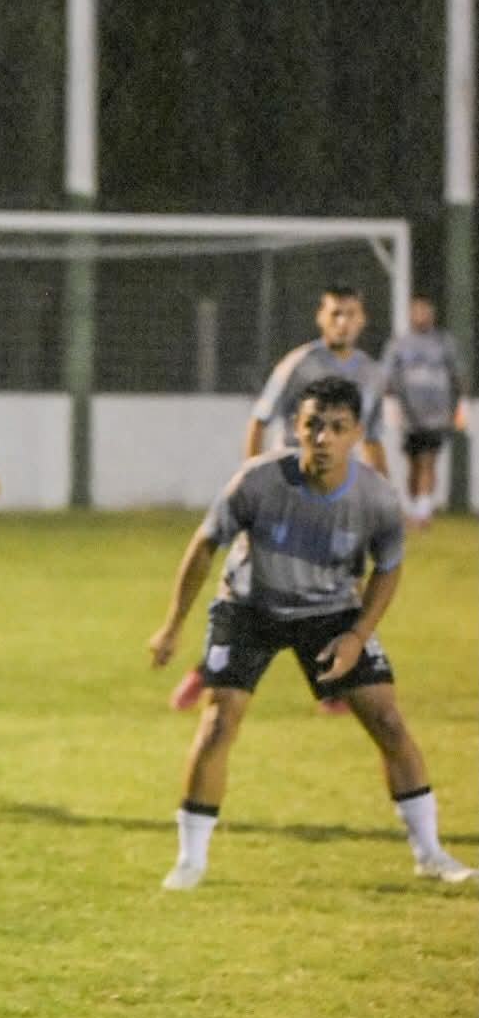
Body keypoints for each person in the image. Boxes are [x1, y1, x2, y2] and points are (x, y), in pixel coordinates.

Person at [149, 375, 475, 892]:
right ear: (296, 428)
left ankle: (431, 854)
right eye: (313, 426)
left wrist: (357, 635)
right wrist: (172, 626)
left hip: (330, 613)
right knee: (218, 723)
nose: (323, 438)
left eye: (338, 428)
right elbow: (205, 544)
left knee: (388, 720)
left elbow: (388, 569)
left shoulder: (375, 497)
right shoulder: (258, 481)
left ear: (357, 433)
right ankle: (190, 862)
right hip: (249, 607)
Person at [169, 285, 388, 716]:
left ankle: (337, 680)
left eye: (350, 314)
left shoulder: (372, 374)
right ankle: (209, 668)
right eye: (335, 313)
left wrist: (381, 494)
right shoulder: (299, 365)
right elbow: (260, 420)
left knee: (346, 586)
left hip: (337, 498)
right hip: (289, 494)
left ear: (362, 320)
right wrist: (256, 483)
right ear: (321, 318)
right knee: (257, 591)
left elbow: (373, 438)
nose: (343, 322)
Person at [380, 293, 465, 528]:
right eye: (417, 311)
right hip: (409, 415)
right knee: (413, 464)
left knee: (428, 460)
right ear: (410, 314)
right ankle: (414, 506)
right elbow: (386, 377)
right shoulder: (399, 344)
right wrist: (392, 402)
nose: (422, 315)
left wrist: (458, 406)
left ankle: (423, 511)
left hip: (437, 414)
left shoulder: (443, 342)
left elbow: (457, 375)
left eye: (425, 311)